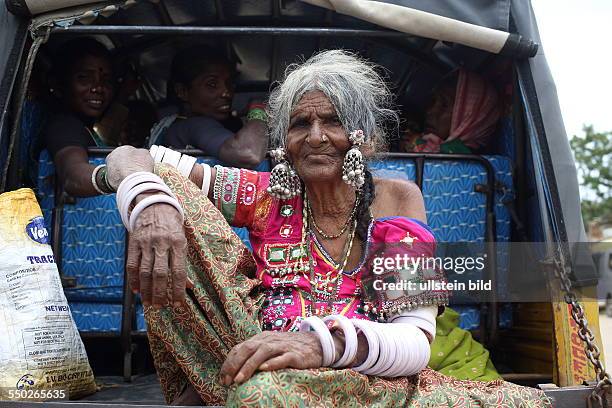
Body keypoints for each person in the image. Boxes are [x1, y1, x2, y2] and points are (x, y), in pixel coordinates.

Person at [103, 50, 550, 406]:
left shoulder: (397, 200)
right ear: (285, 145)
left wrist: (318, 346)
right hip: (253, 359)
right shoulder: (265, 195)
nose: (315, 136)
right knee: (165, 189)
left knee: (260, 395)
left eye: (332, 121)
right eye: (300, 124)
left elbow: (415, 342)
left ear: (365, 137)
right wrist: (152, 208)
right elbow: (131, 155)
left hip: (365, 379)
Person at [149, 45, 268, 168]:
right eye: (212, 84)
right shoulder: (196, 125)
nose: (226, 93)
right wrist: (258, 109)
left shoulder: (170, 126)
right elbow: (248, 153)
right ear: (182, 91)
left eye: (229, 83)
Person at [42, 37, 116, 196]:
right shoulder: (64, 126)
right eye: (84, 78)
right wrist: (115, 176)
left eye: (106, 80)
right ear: (58, 84)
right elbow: (73, 176)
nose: (98, 88)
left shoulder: (83, 127)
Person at [400, 69, 501, 154]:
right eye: (432, 102)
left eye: (444, 105)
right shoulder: (428, 143)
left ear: (469, 118)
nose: (429, 112)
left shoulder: (462, 160)